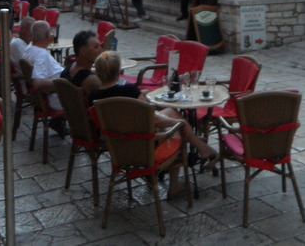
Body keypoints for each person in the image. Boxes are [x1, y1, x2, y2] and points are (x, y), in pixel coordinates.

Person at [89, 51, 216, 196]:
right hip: (145, 150)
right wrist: (177, 123)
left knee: (170, 111)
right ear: (119, 71)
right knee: (179, 126)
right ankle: (176, 183)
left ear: (98, 72)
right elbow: (153, 120)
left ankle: (201, 146)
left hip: (118, 148)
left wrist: (141, 95)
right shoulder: (129, 90)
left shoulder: (94, 96)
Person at [22, 20, 64, 112]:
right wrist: (63, 82)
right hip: (58, 96)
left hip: (57, 90)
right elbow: (37, 83)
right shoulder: (40, 54)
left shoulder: (29, 48)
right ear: (47, 36)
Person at [59, 30, 102, 96]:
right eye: (96, 47)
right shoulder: (91, 80)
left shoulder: (69, 69)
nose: (101, 50)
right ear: (83, 52)